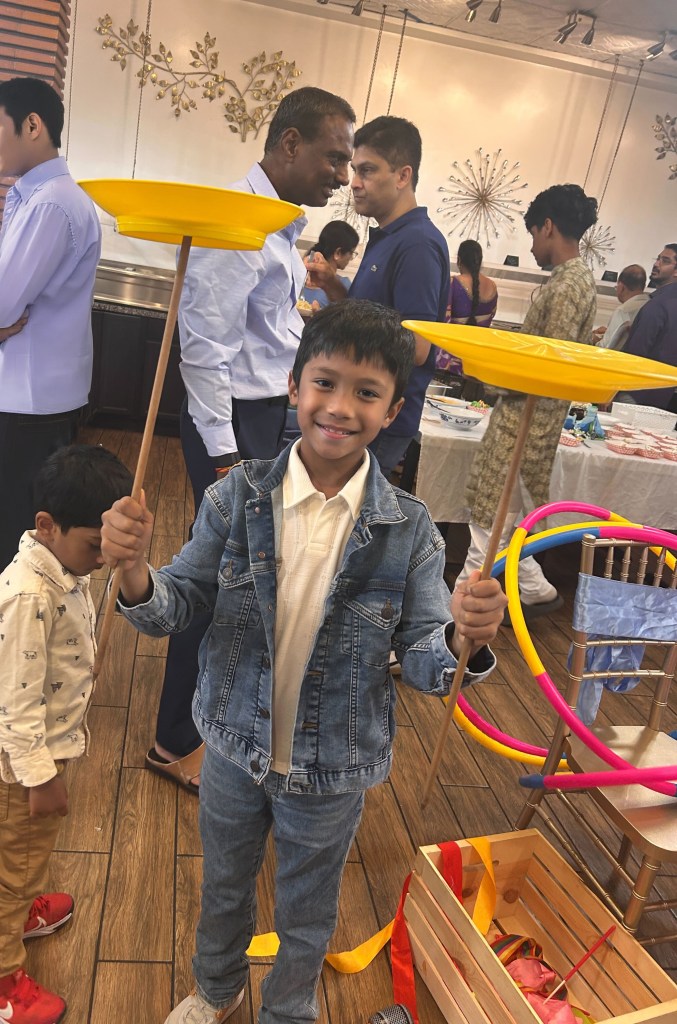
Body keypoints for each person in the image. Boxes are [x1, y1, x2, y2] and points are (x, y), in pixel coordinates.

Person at [100, 299, 507, 1024]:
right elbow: (175, 606)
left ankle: (288, 1010)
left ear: (393, 410)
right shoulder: (235, 497)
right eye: (325, 382)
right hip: (230, 744)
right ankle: (216, 988)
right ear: (293, 386)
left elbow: (424, 663)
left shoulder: (409, 530)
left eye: (366, 392)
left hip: (333, 768)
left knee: (308, 909)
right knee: (223, 886)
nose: (340, 407)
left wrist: (459, 639)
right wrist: (132, 571)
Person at [149, 87, 356, 795]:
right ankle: (172, 739)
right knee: (213, 572)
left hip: (259, 417)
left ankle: (206, 717)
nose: (341, 176)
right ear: (290, 143)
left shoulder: (275, 226)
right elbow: (204, 351)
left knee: (239, 572)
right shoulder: (238, 223)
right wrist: (224, 459)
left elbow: (265, 329)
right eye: (334, 158)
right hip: (230, 425)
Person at [0, 445, 132, 1024]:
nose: (102, 558)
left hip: (39, 755)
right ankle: (4, 982)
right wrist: (39, 778)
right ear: (47, 525)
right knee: (12, 869)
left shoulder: (62, 567)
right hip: (22, 766)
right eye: (94, 546)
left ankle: (23, 906)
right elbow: (16, 703)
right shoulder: (30, 595)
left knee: (25, 856)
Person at [456, 184, 598, 617]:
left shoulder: (568, 285)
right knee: (500, 521)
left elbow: (545, 367)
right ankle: (535, 589)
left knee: (489, 521)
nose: (533, 246)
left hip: (526, 421)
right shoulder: (573, 281)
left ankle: (455, 608)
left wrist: (490, 375)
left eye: (534, 234)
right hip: (530, 417)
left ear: (548, 227)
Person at [305, 116, 450, 478]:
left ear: (403, 176)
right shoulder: (390, 236)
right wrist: (333, 286)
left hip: (378, 419)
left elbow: (417, 347)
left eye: (367, 170)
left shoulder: (417, 244)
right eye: (355, 170)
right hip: (357, 408)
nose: (353, 182)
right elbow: (369, 315)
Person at [0, 77, 102, 573]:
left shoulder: (52, 203)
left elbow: (2, 305)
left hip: (28, 401)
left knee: (14, 533)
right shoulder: (36, 197)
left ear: (32, 125)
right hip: (31, 397)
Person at [615, 244, 677, 409]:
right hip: (665, 395)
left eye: (665, 261)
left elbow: (636, 353)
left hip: (636, 392)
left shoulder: (658, 305)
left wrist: (614, 388)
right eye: (658, 258)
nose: (656, 264)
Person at [436, 239, 498, 376]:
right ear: (479, 261)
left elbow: (443, 321)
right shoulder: (492, 286)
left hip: (453, 361)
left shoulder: (454, 282)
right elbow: (491, 317)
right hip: (478, 362)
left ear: (459, 260)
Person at [300, 219, 359, 309]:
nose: (351, 258)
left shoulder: (300, 273)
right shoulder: (342, 286)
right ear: (338, 253)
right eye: (351, 253)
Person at [592, 264, 648, 351]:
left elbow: (605, 347)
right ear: (643, 286)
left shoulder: (623, 311)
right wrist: (607, 332)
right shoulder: (650, 305)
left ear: (621, 287)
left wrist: (594, 338)